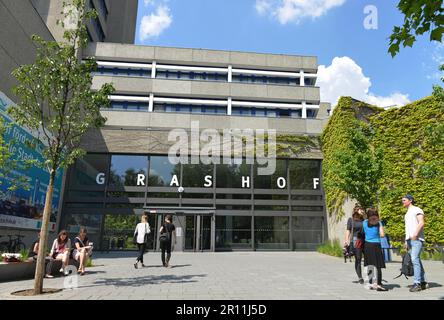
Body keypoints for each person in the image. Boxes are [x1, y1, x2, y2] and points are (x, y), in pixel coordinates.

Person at [402, 194, 427, 292]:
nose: (402, 202)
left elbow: (421, 222)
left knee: (414, 259)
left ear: (410, 200)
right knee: (417, 260)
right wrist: (406, 240)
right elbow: (407, 228)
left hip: (416, 239)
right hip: (410, 239)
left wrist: (415, 234)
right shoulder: (407, 213)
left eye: (404, 200)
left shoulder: (417, 210)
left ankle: (417, 283)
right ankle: (423, 281)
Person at [363, 208, 387, 291]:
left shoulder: (364, 223)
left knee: (370, 265)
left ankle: (371, 283)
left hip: (367, 245)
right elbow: (382, 235)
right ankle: (378, 284)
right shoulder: (378, 223)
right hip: (376, 245)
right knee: (378, 265)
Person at [344, 205, 365, 284]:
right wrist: (346, 240)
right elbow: (348, 231)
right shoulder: (351, 220)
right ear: (356, 210)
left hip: (365, 241)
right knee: (358, 259)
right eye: (361, 210)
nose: (362, 211)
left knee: (369, 259)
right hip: (356, 241)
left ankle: (371, 276)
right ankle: (360, 277)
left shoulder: (364, 220)